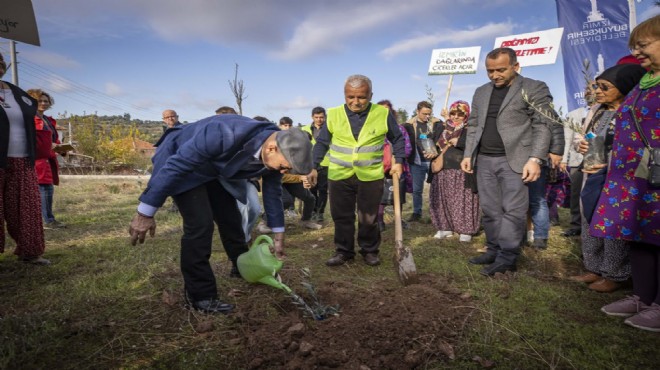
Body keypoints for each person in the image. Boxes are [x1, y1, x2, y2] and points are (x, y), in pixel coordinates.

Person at [128, 114, 315, 314]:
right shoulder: (223, 132)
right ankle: (201, 297)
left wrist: (278, 234)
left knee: (231, 219)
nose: (283, 172)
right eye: (285, 167)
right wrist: (145, 213)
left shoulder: (275, 151)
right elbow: (177, 166)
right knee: (201, 225)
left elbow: (272, 192)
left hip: (213, 170)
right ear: (271, 148)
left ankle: (243, 267)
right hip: (182, 164)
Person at [461, 47, 554, 276]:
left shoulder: (533, 87)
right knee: (491, 210)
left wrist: (535, 159)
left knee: (513, 210)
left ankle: (508, 257)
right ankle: (493, 249)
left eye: (501, 70)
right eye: (490, 71)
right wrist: (467, 154)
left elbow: (543, 124)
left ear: (515, 66)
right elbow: (473, 125)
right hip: (484, 160)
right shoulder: (481, 92)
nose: (495, 75)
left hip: (516, 160)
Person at [596, 15, 660, 331]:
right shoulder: (643, 84)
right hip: (633, 176)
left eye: (644, 45)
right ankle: (643, 296)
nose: (637, 52)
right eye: (634, 47)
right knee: (639, 235)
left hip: (656, 172)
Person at [313, 74, 405, 267]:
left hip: (370, 176)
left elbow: (397, 138)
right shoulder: (334, 114)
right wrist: (313, 167)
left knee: (369, 217)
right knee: (342, 216)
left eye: (361, 97)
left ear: (371, 95)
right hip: (339, 175)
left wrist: (399, 161)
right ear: (344, 95)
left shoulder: (382, 113)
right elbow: (322, 142)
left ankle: (369, 251)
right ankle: (344, 251)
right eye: (350, 97)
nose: (356, 102)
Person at [570, 63, 646, 293]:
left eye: (604, 87)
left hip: (621, 174)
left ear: (624, 87)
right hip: (594, 171)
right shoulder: (598, 111)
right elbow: (587, 135)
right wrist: (581, 143)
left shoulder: (634, 110)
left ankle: (615, 273)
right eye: (596, 86)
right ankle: (594, 267)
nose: (598, 91)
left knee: (613, 222)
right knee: (589, 217)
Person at [0, 52, 50, 265]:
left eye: (0, 61)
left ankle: (30, 251)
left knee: (26, 208)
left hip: (22, 159)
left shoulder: (17, 92)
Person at [429, 100, 480, 242]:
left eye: (460, 114)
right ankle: (445, 227)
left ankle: (465, 229)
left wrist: (459, 142)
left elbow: (476, 145)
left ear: (466, 115)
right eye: (453, 113)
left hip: (462, 170)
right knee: (443, 198)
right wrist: (430, 152)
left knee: (463, 199)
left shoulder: (470, 128)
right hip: (443, 170)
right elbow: (434, 144)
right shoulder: (444, 128)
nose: (456, 117)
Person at [27, 89, 67, 229]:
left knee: (47, 189)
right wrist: (49, 145)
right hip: (37, 160)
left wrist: (63, 149)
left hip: (48, 159)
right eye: (40, 100)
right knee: (44, 189)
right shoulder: (29, 119)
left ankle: (45, 219)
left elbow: (54, 139)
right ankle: (48, 221)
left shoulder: (49, 121)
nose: (43, 103)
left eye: (46, 101)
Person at [278, 118, 322, 230]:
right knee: (286, 200)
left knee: (310, 198)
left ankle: (306, 220)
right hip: (279, 181)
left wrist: (307, 181)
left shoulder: (305, 155)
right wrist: (301, 178)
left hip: (293, 180)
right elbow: (282, 177)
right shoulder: (281, 150)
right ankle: (265, 221)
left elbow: (306, 173)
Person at [375, 99, 412, 232]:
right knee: (380, 195)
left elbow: (406, 147)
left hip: (397, 166)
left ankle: (398, 220)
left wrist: (397, 159)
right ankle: (379, 221)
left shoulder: (399, 129)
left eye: (387, 110)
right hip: (378, 167)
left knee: (398, 194)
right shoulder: (374, 129)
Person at [404, 100, 441, 222]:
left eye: (429, 113)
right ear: (417, 112)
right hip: (417, 163)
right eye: (424, 113)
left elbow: (444, 137)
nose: (427, 116)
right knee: (417, 190)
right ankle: (416, 213)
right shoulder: (408, 125)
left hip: (434, 163)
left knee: (436, 189)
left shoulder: (436, 124)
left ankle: (437, 214)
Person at [301, 107, 329, 222]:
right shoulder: (304, 129)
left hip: (326, 164)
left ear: (325, 117)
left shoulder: (329, 128)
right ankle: (312, 211)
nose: (319, 119)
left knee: (322, 190)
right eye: (316, 117)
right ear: (312, 117)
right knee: (311, 189)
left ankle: (320, 213)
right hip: (309, 165)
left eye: (321, 117)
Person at [160, 109, 183, 213]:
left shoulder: (184, 129)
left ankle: (178, 206)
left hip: (182, 161)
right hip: (170, 162)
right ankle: (176, 205)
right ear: (163, 120)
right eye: (167, 117)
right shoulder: (165, 131)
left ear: (177, 117)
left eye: (172, 116)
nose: (170, 118)